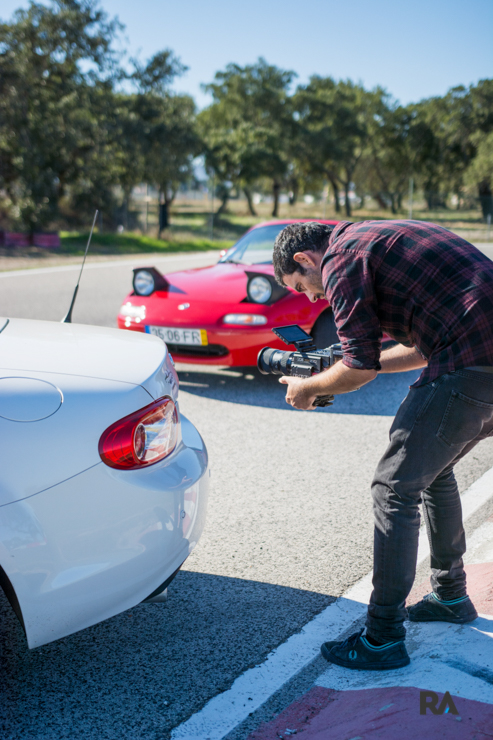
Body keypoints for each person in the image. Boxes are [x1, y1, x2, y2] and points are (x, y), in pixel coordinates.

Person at [273, 219, 493, 671]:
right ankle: (451, 596)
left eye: (302, 287)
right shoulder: (371, 239)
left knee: (393, 488)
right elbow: (413, 351)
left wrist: (309, 387)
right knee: (434, 469)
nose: (313, 298)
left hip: (470, 363)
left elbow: (359, 371)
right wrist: (337, 365)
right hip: (479, 356)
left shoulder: (340, 261)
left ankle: (382, 638)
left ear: (305, 259)